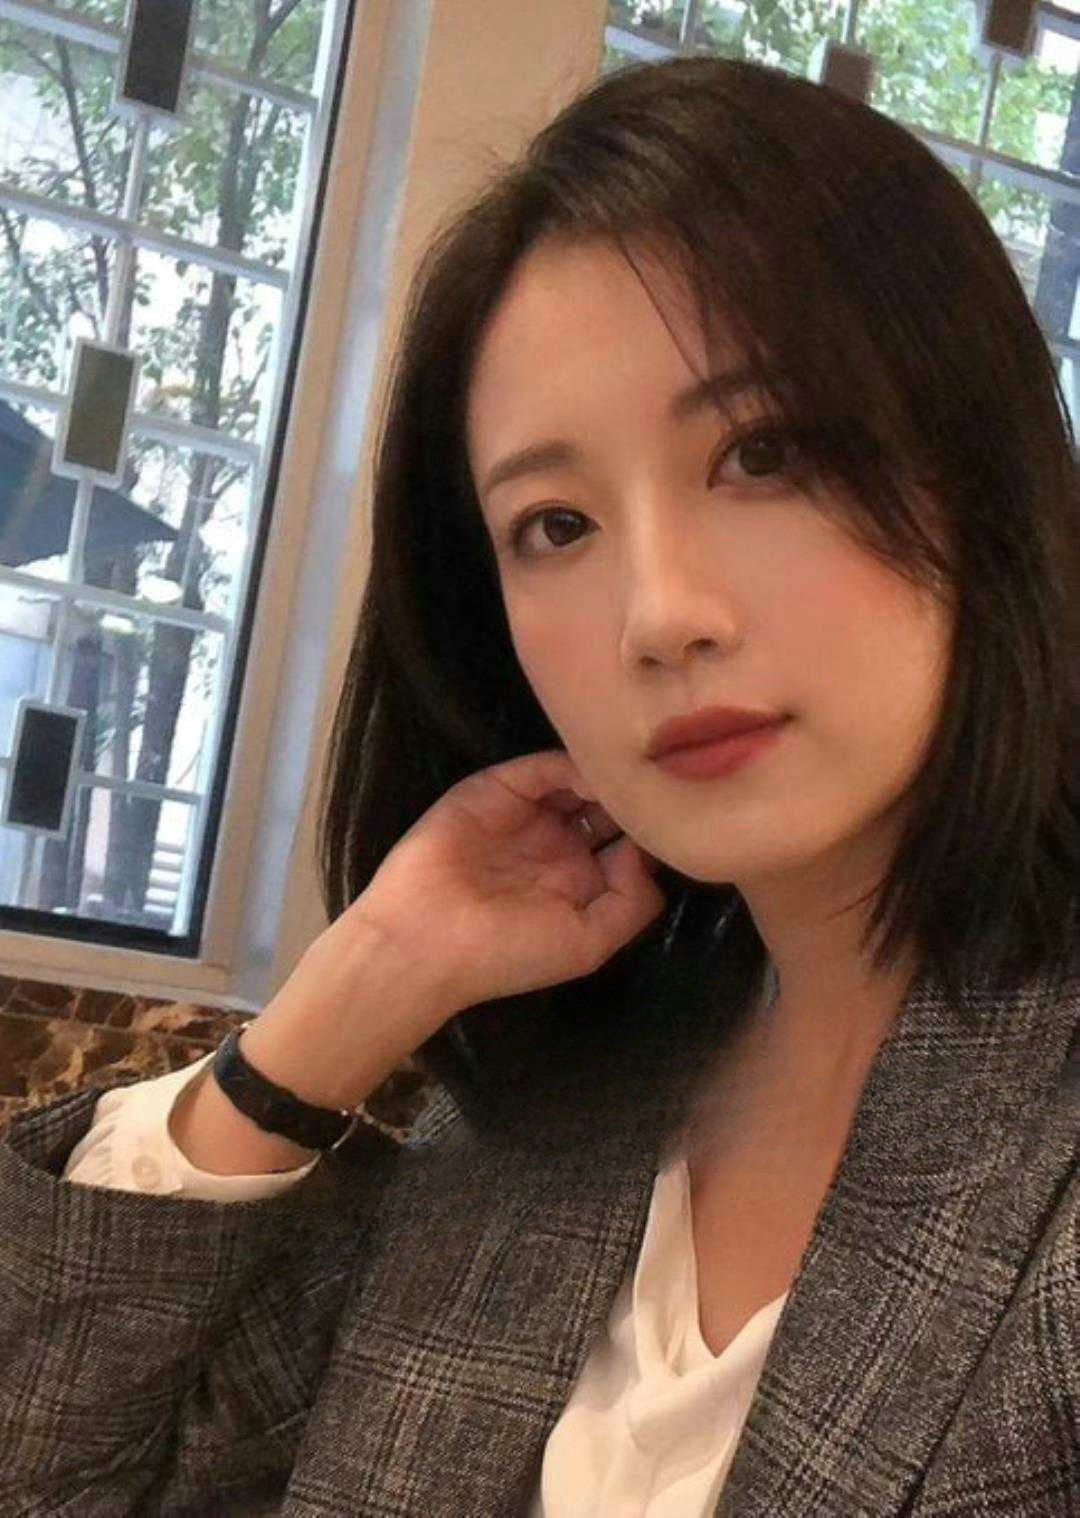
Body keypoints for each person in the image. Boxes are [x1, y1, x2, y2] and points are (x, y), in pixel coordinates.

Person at [2, 52, 1079, 1517]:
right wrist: (360, 987)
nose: (660, 614)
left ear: (978, 469)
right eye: (556, 524)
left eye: (762, 453)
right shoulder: (536, 1125)